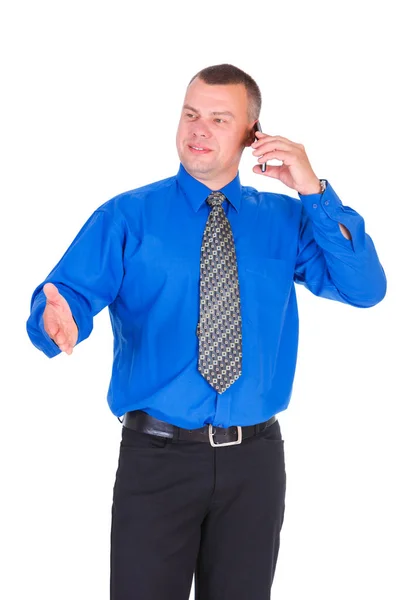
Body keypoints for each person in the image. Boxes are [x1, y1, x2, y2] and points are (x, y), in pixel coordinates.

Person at [26, 63, 387, 600]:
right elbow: (67, 295)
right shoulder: (128, 215)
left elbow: (364, 287)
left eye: (219, 119)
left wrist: (314, 189)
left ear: (252, 134)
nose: (199, 129)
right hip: (158, 462)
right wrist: (55, 319)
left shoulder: (286, 221)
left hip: (255, 464)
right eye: (191, 114)